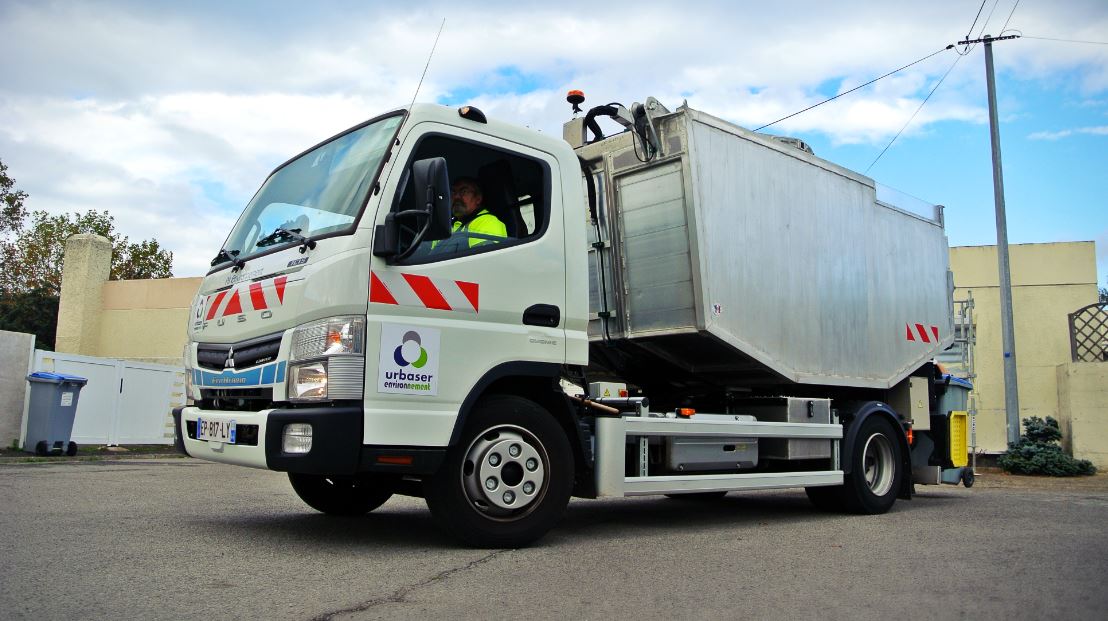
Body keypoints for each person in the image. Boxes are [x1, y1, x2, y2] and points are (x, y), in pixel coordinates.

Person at [441, 177, 507, 249]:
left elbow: (482, 259)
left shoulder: (488, 221)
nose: (456, 196)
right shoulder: (447, 226)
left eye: (464, 191)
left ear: (478, 198)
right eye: (453, 192)